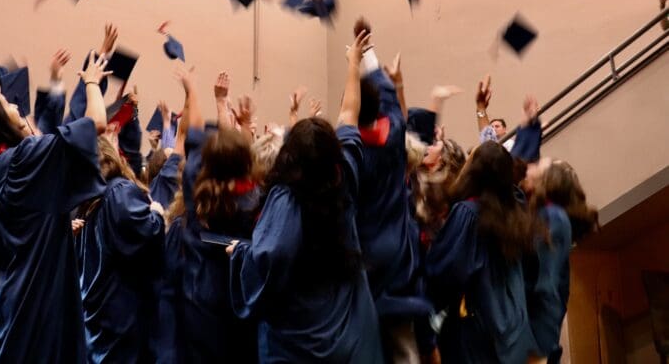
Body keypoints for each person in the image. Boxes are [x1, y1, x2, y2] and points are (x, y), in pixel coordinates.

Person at [227, 29, 384, 363]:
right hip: (350, 332)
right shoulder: (344, 177)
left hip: (301, 343)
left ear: (288, 154)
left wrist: (241, 252)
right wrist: (353, 65)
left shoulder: (285, 199)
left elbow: (270, 257)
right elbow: (348, 116)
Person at [0, 51, 109, 363]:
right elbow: (96, 124)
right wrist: (91, 82)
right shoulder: (23, 161)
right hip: (33, 312)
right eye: (7, 105)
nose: (14, 105)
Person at [163, 67, 261, 363]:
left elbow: (193, 135)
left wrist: (193, 88)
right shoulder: (255, 198)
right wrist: (239, 123)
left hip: (198, 292)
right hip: (236, 295)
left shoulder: (197, 187)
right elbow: (238, 158)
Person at [348, 30, 428, 361]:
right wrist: (371, 63)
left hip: (362, 260)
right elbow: (390, 100)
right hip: (395, 258)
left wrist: (354, 69)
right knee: (404, 348)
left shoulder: (349, 149)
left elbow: (350, 112)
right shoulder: (395, 134)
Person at [425, 140, 540, 364]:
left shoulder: (467, 214)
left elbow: (444, 273)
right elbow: (532, 276)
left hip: (475, 335)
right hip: (513, 334)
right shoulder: (519, 221)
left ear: (473, 171)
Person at [76, 133, 166, 363]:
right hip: (121, 310)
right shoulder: (118, 192)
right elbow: (147, 232)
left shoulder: (88, 203)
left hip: (99, 311)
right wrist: (156, 213)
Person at [525, 159, 598, 363]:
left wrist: (534, 340)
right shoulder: (544, 213)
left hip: (536, 329)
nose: (530, 168)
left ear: (550, 180)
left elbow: (544, 281)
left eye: (538, 166)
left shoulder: (553, 216)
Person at [475, 75, 514, 151]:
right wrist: (480, 108)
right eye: (492, 127)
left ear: (505, 129)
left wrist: (480, 107)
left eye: (497, 126)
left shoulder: (510, 144)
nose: (494, 129)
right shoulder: (489, 143)